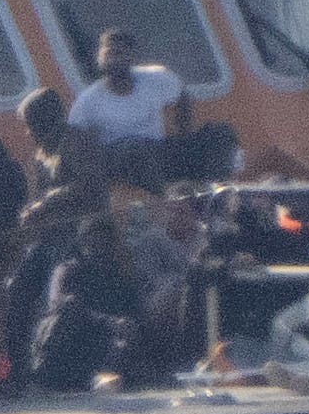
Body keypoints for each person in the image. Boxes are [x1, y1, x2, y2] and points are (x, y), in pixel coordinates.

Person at [30, 214, 143, 392]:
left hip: (104, 342)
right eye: (94, 240)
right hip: (73, 339)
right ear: (84, 242)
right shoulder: (68, 271)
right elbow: (61, 306)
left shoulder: (119, 278)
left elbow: (134, 313)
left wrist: (128, 325)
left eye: (106, 241)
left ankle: (106, 380)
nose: (100, 246)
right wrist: (108, 322)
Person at [69, 27, 191, 189]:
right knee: (135, 149)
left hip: (156, 148)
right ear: (99, 58)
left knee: (217, 133)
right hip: (117, 158)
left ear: (131, 57)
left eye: (119, 53)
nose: (113, 60)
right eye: (108, 54)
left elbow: (181, 93)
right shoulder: (87, 101)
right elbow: (75, 139)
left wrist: (183, 133)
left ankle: (213, 194)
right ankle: (167, 195)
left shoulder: (155, 78)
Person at [18, 87, 110, 219]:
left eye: (30, 125)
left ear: (44, 122)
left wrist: (48, 201)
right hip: (55, 221)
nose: (28, 133)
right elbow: (38, 192)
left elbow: (88, 184)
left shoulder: (78, 142)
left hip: (88, 218)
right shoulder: (41, 155)